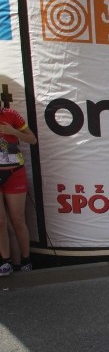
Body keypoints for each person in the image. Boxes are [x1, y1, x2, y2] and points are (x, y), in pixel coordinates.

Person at [0, 107, 37, 276]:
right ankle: (5, 261)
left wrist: (12, 131)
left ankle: (26, 260)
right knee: (0, 221)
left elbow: (32, 139)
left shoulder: (10, 114)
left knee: (17, 219)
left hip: (14, 173)